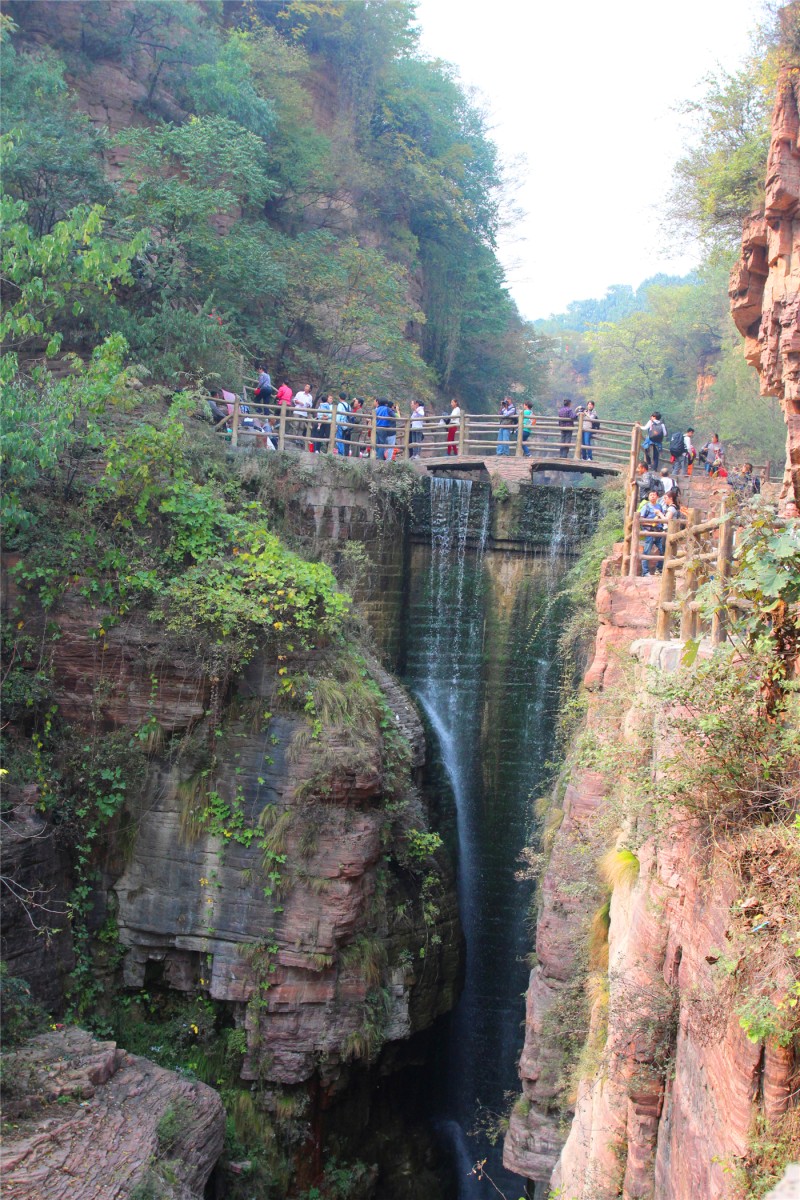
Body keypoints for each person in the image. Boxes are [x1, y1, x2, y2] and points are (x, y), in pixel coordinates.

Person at [638, 489, 665, 576]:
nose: (653, 496)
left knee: (662, 550)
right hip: (648, 532)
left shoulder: (659, 506)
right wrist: (651, 523)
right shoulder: (646, 507)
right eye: (651, 495)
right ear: (648, 497)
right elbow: (641, 520)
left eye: (654, 495)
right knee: (646, 551)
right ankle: (645, 572)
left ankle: (659, 569)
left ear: (657, 497)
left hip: (658, 532)